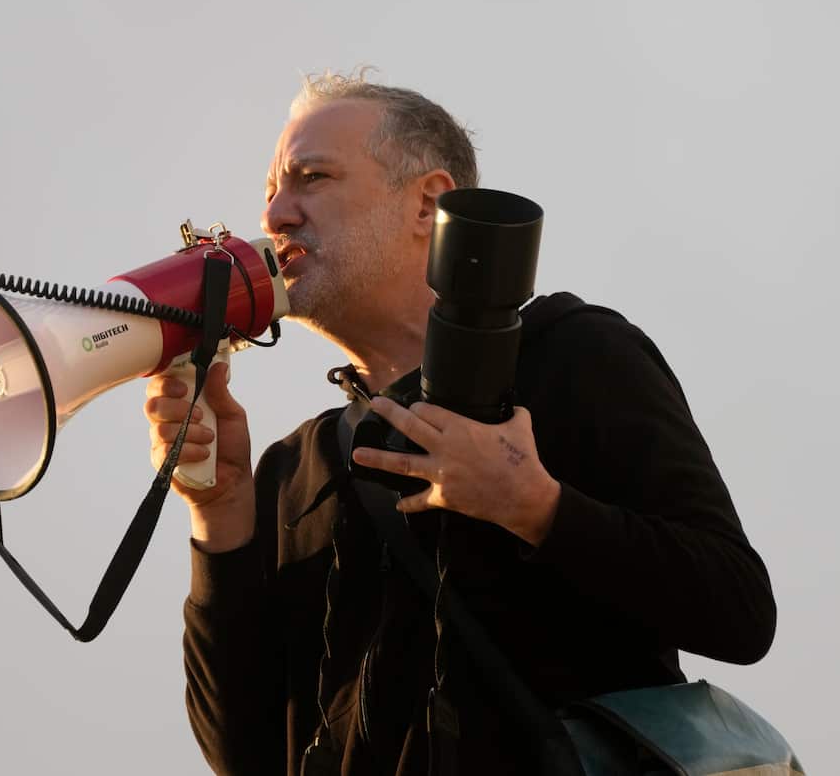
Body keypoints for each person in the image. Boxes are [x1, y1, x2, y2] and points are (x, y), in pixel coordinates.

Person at [143, 73, 776, 775]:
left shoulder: (572, 353)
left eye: (310, 177)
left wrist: (535, 507)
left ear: (429, 201)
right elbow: (249, 756)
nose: (276, 216)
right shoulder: (297, 467)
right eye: (270, 192)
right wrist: (222, 513)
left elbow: (740, 610)